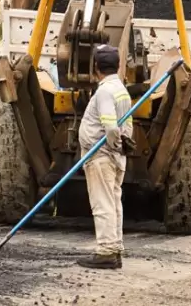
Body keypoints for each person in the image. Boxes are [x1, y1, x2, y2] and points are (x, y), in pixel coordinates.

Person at [77, 44, 132, 269]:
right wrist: (121, 145)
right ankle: (115, 247)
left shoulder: (104, 92)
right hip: (115, 157)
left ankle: (106, 252)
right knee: (113, 202)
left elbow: (110, 126)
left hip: (101, 156)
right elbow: (126, 124)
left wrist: (114, 144)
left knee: (102, 204)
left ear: (96, 67)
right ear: (118, 66)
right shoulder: (121, 90)